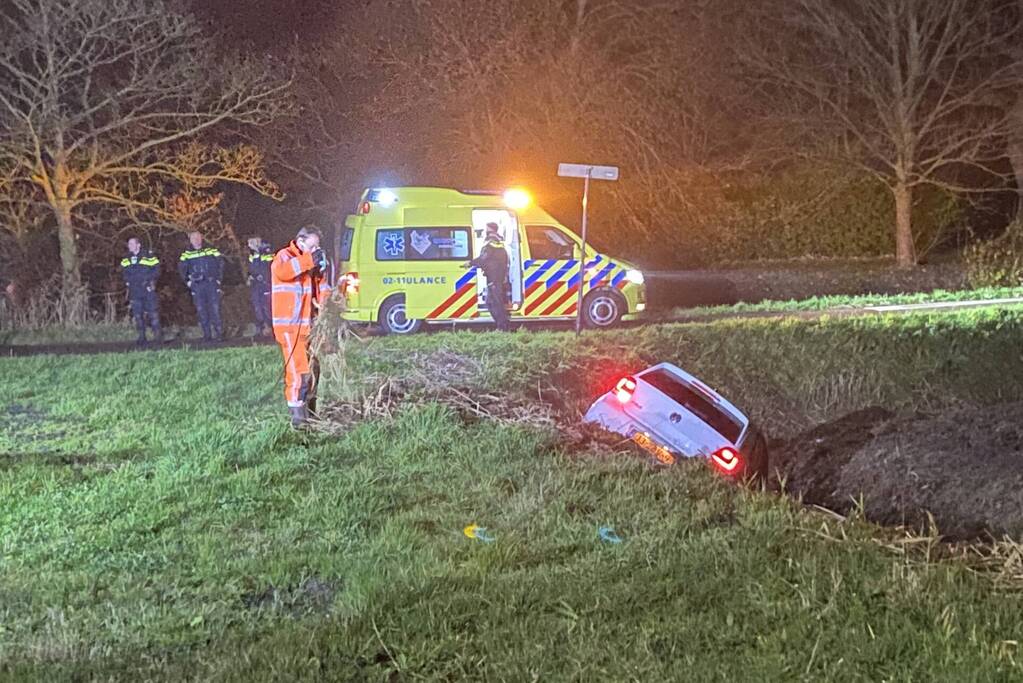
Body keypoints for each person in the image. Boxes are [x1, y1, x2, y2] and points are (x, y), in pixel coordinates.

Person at [271, 226, 332, 427]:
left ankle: (311, 412)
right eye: (312, 245)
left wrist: (327, 306)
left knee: (313, 369)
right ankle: (298, 419)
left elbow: (322, 288)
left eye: (318, 246)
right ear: (300, 240)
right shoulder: (284, 256)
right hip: (290, 327)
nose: (315, 249)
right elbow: (283, 273)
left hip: (309, 326)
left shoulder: (312, 262)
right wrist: (309, 261)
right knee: (299, 372)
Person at [177, 231, 224, 342]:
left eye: (198, 237)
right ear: (190, 240)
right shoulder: (186, 253)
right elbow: (181, 269)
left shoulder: (211, 250)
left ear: (201, 238)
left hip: (211, 283)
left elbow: (221, 264)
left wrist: (218, 279)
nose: (196, 240)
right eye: (193, 238)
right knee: (201, 310)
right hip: (197, 286)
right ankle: (207, 335)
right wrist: (188, 281)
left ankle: (219, 334)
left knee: (215, 309)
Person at [464, 222, 511, 331]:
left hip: (494, 277)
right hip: (496, 276)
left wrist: (470, 263)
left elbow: (483, 258)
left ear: (490, 229)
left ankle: (503, 327)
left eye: (486, 229)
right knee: (491, 302)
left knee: (495, 303)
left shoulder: (490, 243)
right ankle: (502, 326)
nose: (485, 231)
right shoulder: (498, 242)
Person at [120, 237, 163, 346]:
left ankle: (157, 337)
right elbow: (124, 273)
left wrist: (149, 280)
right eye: (129, 244)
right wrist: (128, 282)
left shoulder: (148, 256)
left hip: (147, 289)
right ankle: (142, 337)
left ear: (138, 245)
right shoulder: (126, 259)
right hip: (135, 291)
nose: (130, 246)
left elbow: (157, 270)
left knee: (153, 313)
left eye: (132, 244)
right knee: (138, 315)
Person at [246, 236, 274, 337]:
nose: (249, 245)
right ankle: (261, 328)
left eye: (251, 242)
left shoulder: (266, 251)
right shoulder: (252, 254)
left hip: (265, 284)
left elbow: (268, 267)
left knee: (267, 307)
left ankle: (270, 328)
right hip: (255, 285)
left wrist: (263, 278)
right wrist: (250, 277)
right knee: (257, 306)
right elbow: (250, 268)